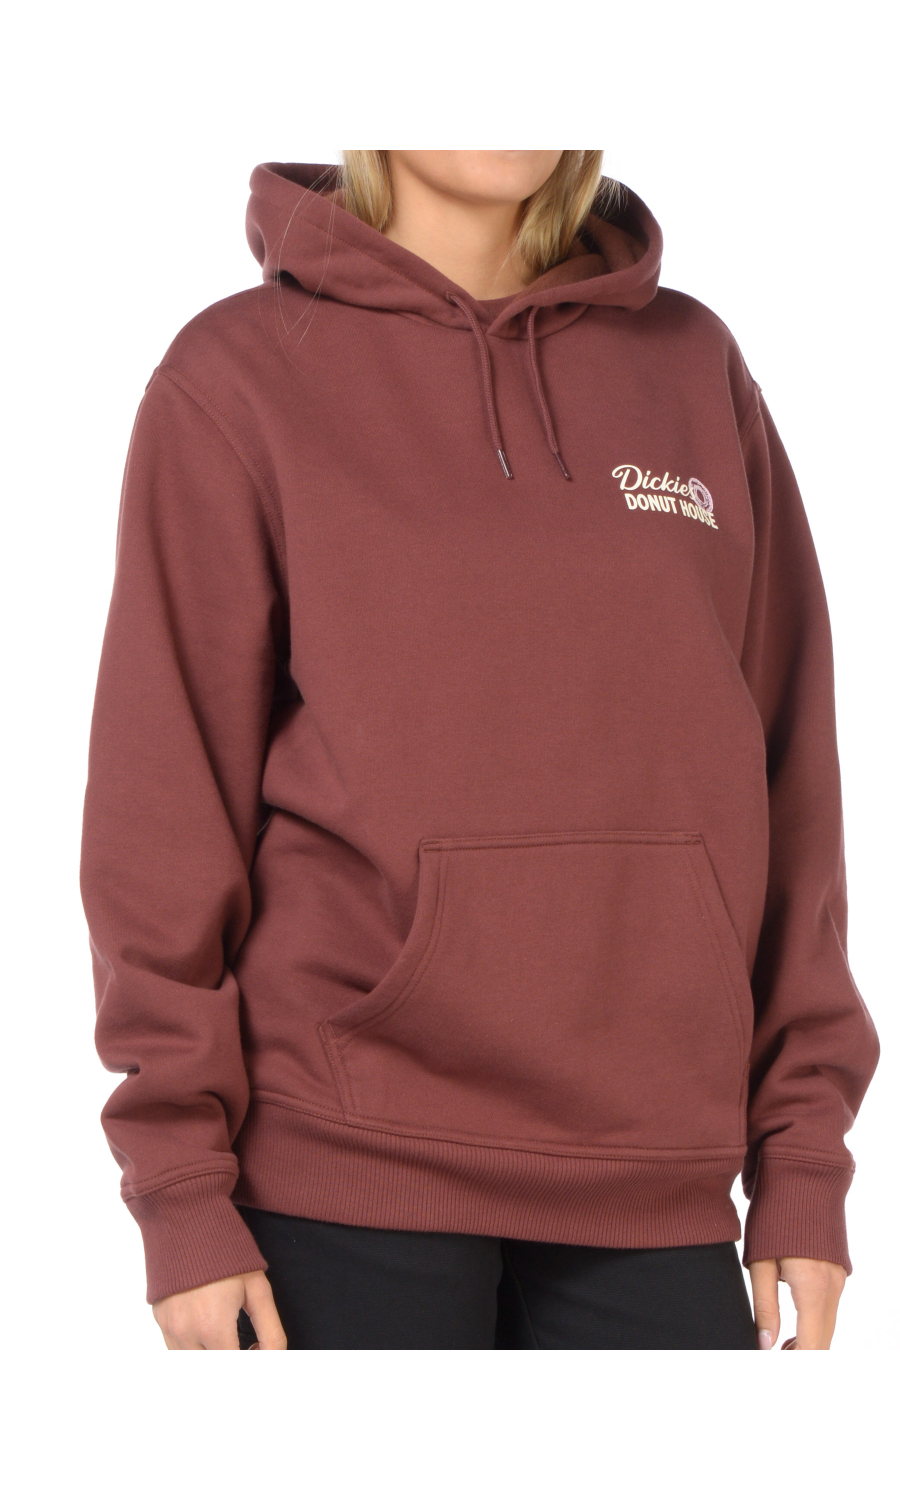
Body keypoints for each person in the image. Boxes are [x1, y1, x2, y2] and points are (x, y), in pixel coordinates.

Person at [80, 150, 879, 1350]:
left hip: (655, 1171)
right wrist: (178, 1185)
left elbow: (791, 772)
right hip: (341, 1166)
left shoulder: (693, 365)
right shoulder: (236, 375)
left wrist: (802, 1154)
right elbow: (164, 803)